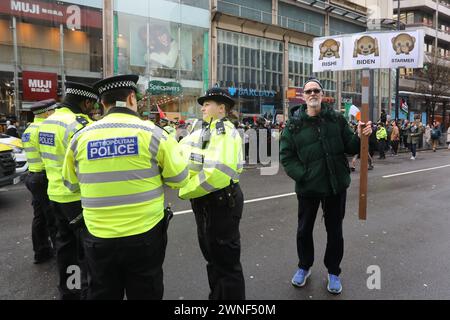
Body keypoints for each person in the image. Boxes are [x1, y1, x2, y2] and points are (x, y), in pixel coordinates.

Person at [62, 75, 189, 300]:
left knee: (101, 292)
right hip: (144, 235)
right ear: (132, 98)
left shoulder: (80, 138)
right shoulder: (154, 134)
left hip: (98, 235)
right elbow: (179, 179)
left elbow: (71, 185)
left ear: (102, 103)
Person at [280, 78, 372, 294]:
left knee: (335, 232)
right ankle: (304, 267)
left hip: (335, 186)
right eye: (308, 91)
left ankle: (333, 272)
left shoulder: (336, 120)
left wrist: (361, 136)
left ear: (322, 94)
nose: (312, 94)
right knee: (304, 230)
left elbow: (350, 146)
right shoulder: (294, 125)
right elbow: (286, 156)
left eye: (316, 90)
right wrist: (303, 176)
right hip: (308, 188)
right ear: (303, 96)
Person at [178, 87, 245, 300]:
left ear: (221, 108)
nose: (203, 107)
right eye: (203, 104)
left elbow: (217, 173)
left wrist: (185, 190)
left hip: (220, 201)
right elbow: (180, 152)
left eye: (208, 104)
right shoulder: (202, 132)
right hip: (207, 201)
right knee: (213, 259)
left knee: (226, 264)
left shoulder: (224, 132)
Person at [38, 82, 97, 300]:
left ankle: (68, 289)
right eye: (92, 105)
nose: (92, 110)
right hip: (76, 197)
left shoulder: (47, 121)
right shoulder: (78, 124)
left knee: (64, 244)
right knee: (83, 248)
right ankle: (83, 290)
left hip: (54, 193)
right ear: (86, 102)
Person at [22, 99, 58, 264]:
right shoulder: (45, 129)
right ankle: (59, 254)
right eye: (53, 111)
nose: (55, 113)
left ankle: (41, 251)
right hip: (44, 178)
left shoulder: (29, 129)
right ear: (46, 112)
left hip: (32, 176)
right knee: (53, 217)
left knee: (40, 216)